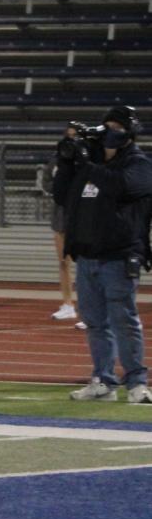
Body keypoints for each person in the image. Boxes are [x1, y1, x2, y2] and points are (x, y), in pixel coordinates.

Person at [55, 105, 152, 403]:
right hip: (88, 256)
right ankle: (103, 379)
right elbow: (61, 194)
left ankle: (137, 382)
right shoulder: (91, 164)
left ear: (129, 131)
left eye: (116, 127)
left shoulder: (138, 163)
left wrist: (86, 166)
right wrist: (68, 161)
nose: (110, 132)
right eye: (106, 126)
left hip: (119, 255)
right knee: (96, 323)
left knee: (124, 321)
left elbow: (120, 187)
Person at [48, 122, 81, 323]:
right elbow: (46, 182)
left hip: (82, 211)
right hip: (61, 211)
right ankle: (68, 304)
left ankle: (91, 308)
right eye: (69, 137)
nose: (72, 142)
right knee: (63, 261)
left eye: (76, 137)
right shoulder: (56, 160)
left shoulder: (88, 161)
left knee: (89, 263)